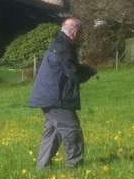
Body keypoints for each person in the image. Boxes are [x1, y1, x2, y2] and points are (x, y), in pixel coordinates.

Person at [29, 17, 97, 169]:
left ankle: (43, 167)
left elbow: (70, 67)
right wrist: (89, 71)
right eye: (80, 33)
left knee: (53, 132)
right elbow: (73, 74)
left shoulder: (59, 44)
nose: (80, 37)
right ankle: (75, 166)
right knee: (72, 130)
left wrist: (84, 68)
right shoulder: (64, 47)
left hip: (47, 96)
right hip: (57, 98)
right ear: (74, 32)